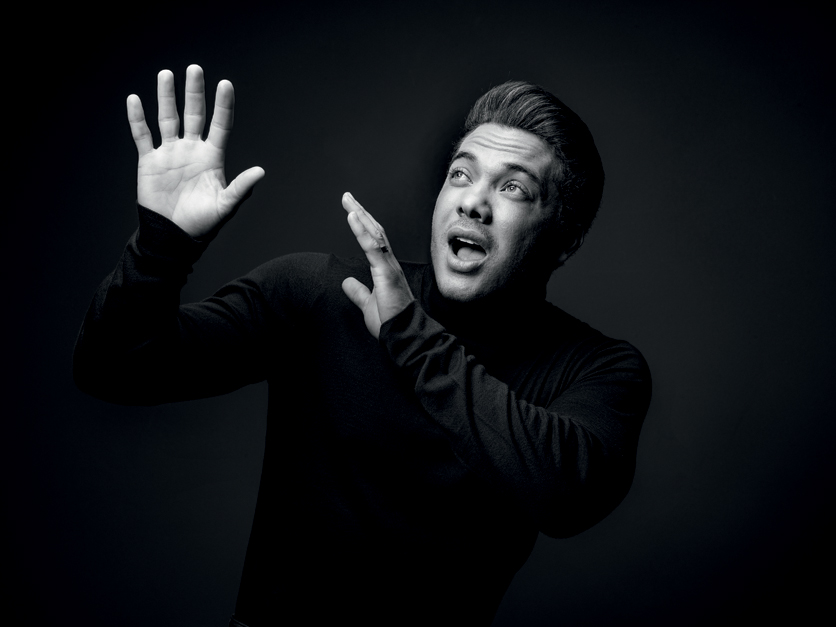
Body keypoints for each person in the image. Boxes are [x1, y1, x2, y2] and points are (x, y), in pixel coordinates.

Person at [74, 64, 651, 626]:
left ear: (564, 239)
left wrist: (412, 338)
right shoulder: (320, 294)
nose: (474, 201)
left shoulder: (597, 369)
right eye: (461, 174)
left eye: (514, 187)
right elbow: (113, 367)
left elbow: (569, 496)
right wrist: (161, 247)